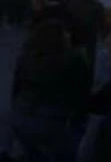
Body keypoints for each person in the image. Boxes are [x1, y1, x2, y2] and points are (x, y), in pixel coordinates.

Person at [9, 20, 92, 162]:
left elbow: (16, 89)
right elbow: (82, 93)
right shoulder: (73, 58)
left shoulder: (25, 57)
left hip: (22, 118)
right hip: (55, 121)